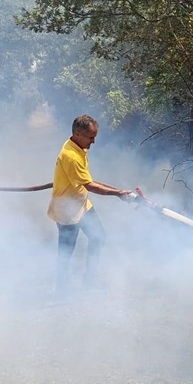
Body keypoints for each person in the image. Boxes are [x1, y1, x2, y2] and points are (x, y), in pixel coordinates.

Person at [48, 115, 134, 292]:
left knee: (98, 237)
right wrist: (117, 193)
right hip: (67, 211)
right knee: (66, 252)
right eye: (91, 137)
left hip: (81, 203)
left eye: (94, 136)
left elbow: (88, 180)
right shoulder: (70, 156)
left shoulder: (78, 147)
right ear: (78, 134)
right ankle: (61, 290)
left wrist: (119, 191)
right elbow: (90, 185)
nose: (93, 141)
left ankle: (89, 281)